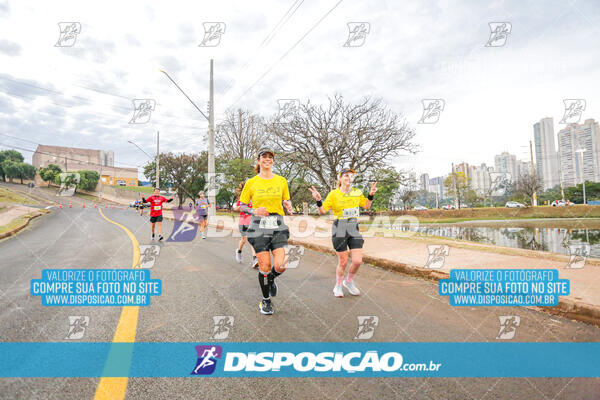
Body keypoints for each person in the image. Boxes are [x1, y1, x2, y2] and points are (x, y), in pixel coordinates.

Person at [239, 147, 293, 315]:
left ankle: (269, 280)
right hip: (258, 225)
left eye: (270, 157)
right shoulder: (251, 182)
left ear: (273, 161)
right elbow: (240, 205)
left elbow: (286, 199)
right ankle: (266, 301)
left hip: (277, 223)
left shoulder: (281, 181)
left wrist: (288, 205)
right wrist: (253, 211)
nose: (267, 159)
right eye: (264, 156)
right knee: (265, 265)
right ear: (259, 160)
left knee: (281, 264)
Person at [308, 168, 377, 297]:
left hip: (353, 227)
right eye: (346, 175)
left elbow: (366, 206)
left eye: (351, 176)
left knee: (357, 261)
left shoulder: (356, 192)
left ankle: (349, 282)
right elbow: (322, 211)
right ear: (340, 179)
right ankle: (338, 285)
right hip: (340, 227)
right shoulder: (333, 194)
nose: (349, 178)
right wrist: (318, 200)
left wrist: (371, 194)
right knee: (343, 262)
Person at [233, 180, 258, 268]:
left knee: (252, 240)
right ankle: (239, 251)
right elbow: (236, 208)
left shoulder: (254, 197)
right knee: (243, 240)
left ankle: (255, 259)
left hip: (252, 221)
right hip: (243, 221)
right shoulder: (242, 197)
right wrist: (242, 207)